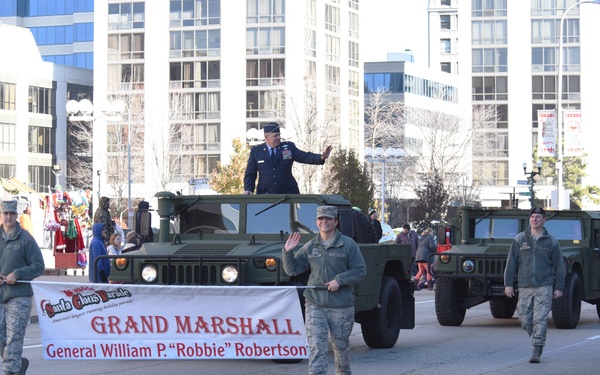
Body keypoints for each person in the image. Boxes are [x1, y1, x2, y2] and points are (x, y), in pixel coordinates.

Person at [282, 205, 366, 375]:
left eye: (328, 218)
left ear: (335, 221)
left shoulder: (347, 244)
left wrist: (339, 280)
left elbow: (360, 270)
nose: (324, 222)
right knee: (317, 349)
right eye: (321, 219)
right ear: (316, 222)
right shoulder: (311, 246)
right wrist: (287, 252)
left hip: (341, 306)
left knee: (341, 351)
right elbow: (292, 270)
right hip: (315, 304)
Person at [504, 207, 565, 364]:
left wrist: (559, 287)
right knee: (524, 318)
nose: (534, 219)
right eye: (532, 217)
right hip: (524, 285)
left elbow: (559, 266)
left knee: (540, 318)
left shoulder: (551, 241)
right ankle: (536, 336)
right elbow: (511, 263)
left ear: (544, 220)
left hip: (544, 285)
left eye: (538, 217)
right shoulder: (520, 239)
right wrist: (508, 284)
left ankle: (537, 347)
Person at [0, 199, 45, 375]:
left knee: (13, 340)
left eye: (12, 213)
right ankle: (18, 364)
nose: (9, 217)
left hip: (19, 296)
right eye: (6, 213)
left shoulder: (26, 239)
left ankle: (11, 371)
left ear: (17, 215)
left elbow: (38, 266)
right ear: (1, 215)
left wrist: (17, 274)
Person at [243, 122, 332, 194]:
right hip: (266, 194)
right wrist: (248, 189)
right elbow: (250, 173)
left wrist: (321, 157)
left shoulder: (288, 148)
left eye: (279, 135)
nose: (279, 138)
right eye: (275, 136)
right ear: (266, 137)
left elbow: (304, 157)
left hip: (288, 193)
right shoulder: (256, 151)